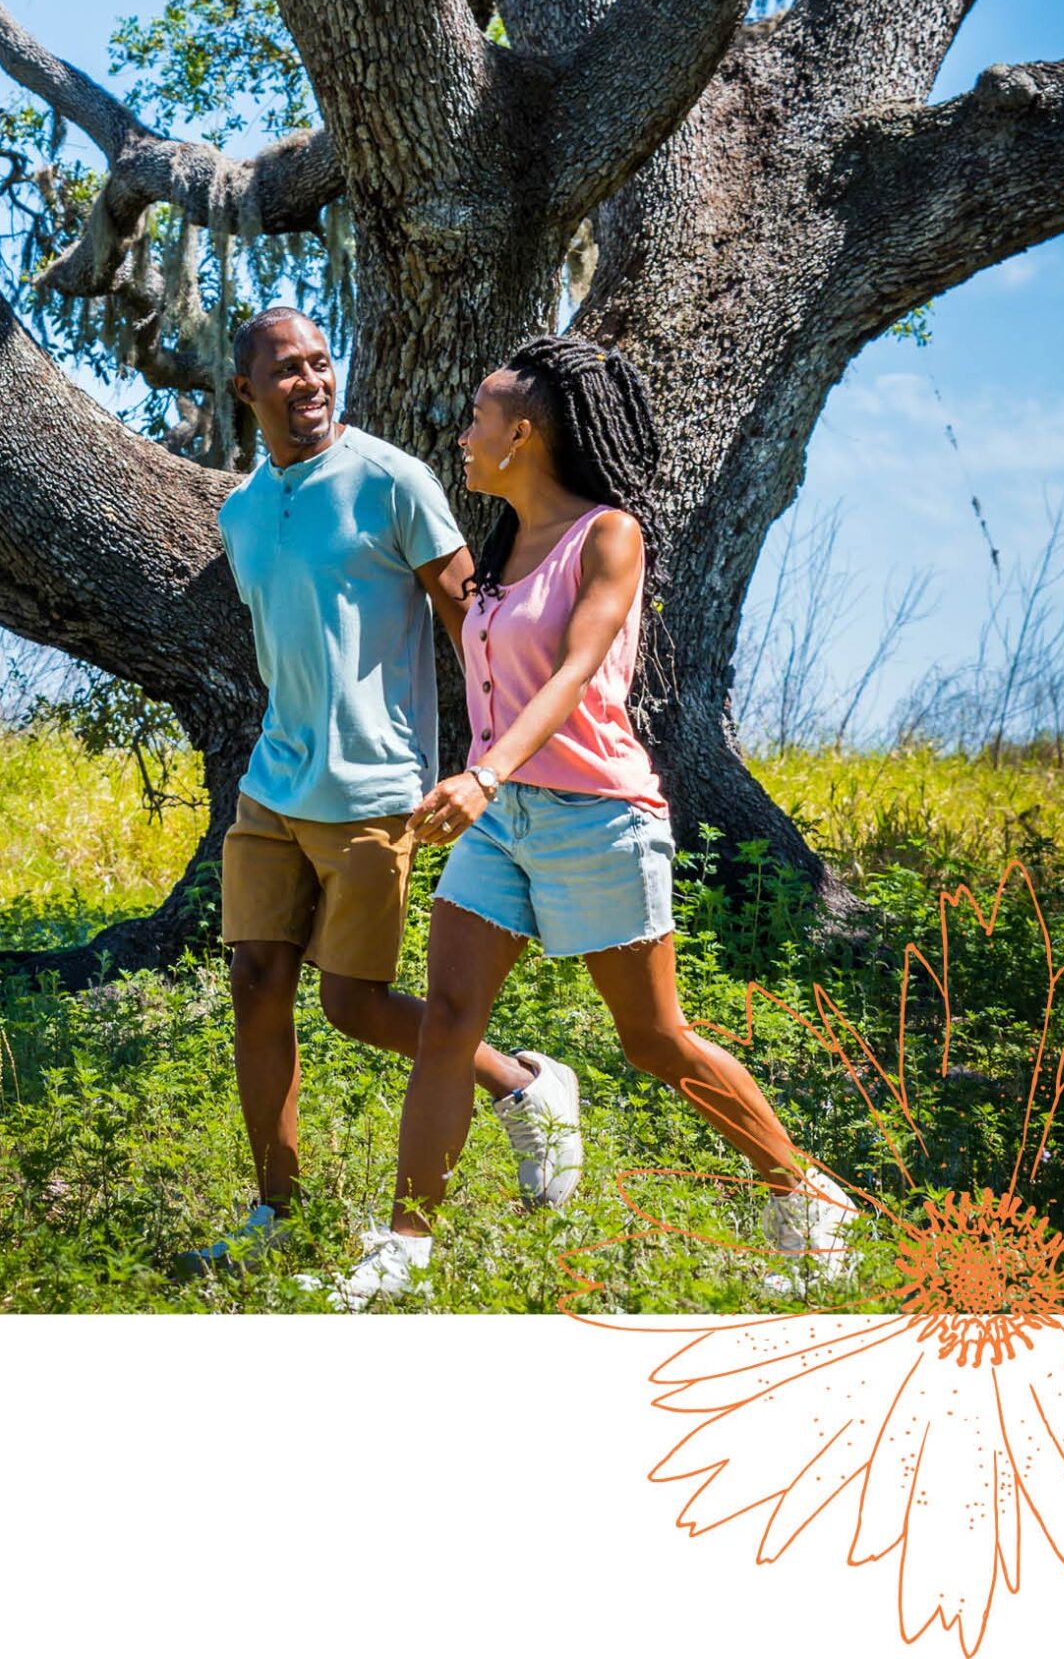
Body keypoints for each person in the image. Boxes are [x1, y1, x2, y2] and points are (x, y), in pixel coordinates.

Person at [325, 331, 855, 1308]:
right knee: (447, 1023)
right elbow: (477, 646)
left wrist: (480, 774)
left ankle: (802, 1187)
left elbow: (571, 675)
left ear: (523, 433)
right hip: (500, 821)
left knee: (653, 1039)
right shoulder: (499, 549)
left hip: (595, 816)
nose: (463, 432)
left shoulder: (606, 536)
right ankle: (404, 1250)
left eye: (478, 415)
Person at [174, 306, 583, 1278]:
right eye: (287, 370)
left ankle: (519, 1082)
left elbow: (465, 617)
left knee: (354, 1003)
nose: (310, 382)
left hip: (373, 786)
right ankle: (274, 1212)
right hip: (275, 781)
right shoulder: (238, 514)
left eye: (321, 363)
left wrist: (492, 757)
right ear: (247, 390)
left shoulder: (394, 481)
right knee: (255, 985)